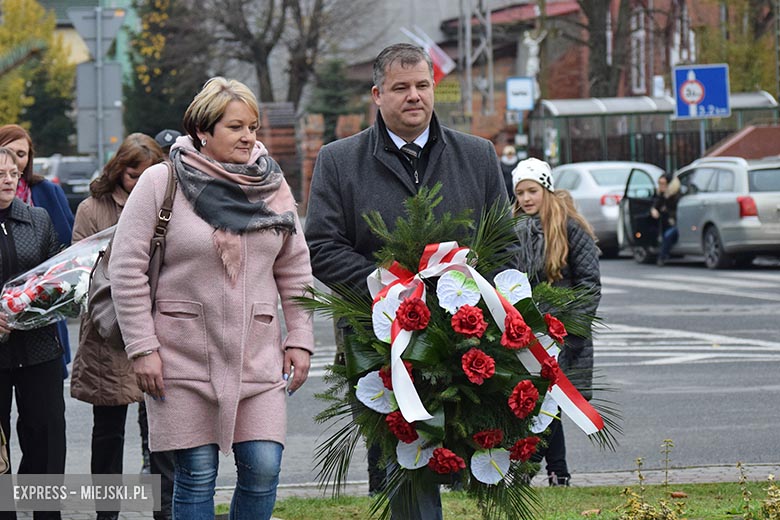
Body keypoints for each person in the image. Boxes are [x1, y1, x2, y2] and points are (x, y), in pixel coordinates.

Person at [305, 43, 509, 520]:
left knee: (474, 462)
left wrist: (478, 302)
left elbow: (506, 241)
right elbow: (321, 246)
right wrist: (389, 289)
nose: (413, 96)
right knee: (399, 470)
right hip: (380, 345)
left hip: (470, 340)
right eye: (400, 88)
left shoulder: (478, 156)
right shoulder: (339, 160)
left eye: (422, 85)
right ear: (377, 95)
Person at [109, 77, 314, 520]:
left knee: (263, 466)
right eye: (236, 126)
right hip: (180, 356)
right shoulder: (161, 181)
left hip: (256, 355)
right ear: (204, 129)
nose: (248, 137)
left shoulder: (271, 185)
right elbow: (125, 269)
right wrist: (143, 349)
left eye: (253, 127)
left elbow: (295, 268)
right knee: (197, 474)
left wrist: (299, 337)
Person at [69, 133, 165, 520]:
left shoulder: (167, 202)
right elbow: (77, 270)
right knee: (107, 433)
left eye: (146, 176)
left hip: (156, 330)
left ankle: (163, 509)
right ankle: (105, 513)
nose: (138, 183)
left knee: (158, 434)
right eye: (131, 175)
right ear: (117, 170)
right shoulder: (92, 209)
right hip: (107, 334)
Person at [511, 157, 601, 487]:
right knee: (542, 402)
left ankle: (531, 469)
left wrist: (575, 330)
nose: (525, 199)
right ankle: (558, 472)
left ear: (546, 189)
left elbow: (589, 283)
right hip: (524, 334)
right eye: (519, 193)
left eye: (532, 190)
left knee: (550, 402)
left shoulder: (570, 227)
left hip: (563, 333)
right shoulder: (513, 229)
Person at [0, 147, 64, 520]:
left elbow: (56, 274)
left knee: (47, 437)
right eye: (0, 174)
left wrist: (46, 298)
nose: (8, 179)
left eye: (13, 173)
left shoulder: (37, 220)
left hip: (40, 349)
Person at [0, 125, 74, 379]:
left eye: (20, 156)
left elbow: (63, 256)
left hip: (39, 334)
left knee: (45, 417)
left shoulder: (39, 214)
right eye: (2, 171)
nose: (10, 177)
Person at [650, 174, 680, 266]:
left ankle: (662, 257)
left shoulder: (676, 196)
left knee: (668, 235)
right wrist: (654, 209)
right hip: (664, 224)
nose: (661, 186)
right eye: (660, 183)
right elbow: (656, 204)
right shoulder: (662, 195)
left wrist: (667, 211)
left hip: (677, 224)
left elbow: (677, 211)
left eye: (664, 183)